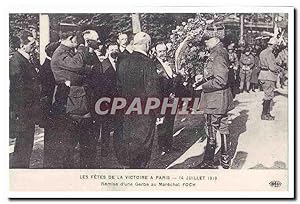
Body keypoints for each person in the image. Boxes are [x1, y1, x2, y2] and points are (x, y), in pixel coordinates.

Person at [50, 28, 96, 168]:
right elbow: (77, 66)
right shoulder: (60, 54)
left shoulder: (67, 52)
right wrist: (82, 49)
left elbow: (84, 69)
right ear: (70, 38)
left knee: (86, 143)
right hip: (72, 104)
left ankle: (85, 169)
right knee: (70, 145)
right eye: (77, 40)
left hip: (79, 102)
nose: (78, 42)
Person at [114, 32, 161, 168]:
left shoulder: (123, 61)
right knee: (144, 147)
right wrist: (158, 113)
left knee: (131, 144)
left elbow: (118, 87)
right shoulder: (148, 63)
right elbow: (152, 90)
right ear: (147, 44)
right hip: (144, 113)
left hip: (127, 111)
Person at [195, 25, 233, 169]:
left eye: (207, 39)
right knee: (223, 128)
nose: (205, 42)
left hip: (214, 101)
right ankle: (225, 160)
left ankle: (208, 161)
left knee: (211, 130)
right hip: (222, 100)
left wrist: (203, 86)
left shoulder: (217, 55)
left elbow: (220, 80)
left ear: (215, 39)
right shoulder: (220, 52)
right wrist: (204, 78)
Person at [9, 30, 41, 168]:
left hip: (29, 111)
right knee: (22, 146)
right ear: (23, 45)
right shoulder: (16, 61)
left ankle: (22, 170)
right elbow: (18, 90)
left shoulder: (27, 59)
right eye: (32, 44)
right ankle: (18, 173)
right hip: (23, 112)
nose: (35, 46)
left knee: (27, 145)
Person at [154, 42, 180, 155]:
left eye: (164, 51)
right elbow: (156, 85)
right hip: (162, 98)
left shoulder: (170, 63)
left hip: (172, 97)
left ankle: (169, 145)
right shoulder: (153, 65)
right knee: (162, 123)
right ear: (155, 52)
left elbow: (174, 77)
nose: (163, 53)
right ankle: (162, 146)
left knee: (170, 121)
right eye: (160, 51)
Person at [99, 42, 120, 157]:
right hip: (107, 100)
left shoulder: (121, 63)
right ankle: (105, 149)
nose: (114, 51)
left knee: (118, 124)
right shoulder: (103, 65)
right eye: (112, 49)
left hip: (119, 100)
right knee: (106, 127)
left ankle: (117, 147)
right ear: (107, 51)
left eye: (116, 49)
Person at [258, 37, 282, 120]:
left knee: (267, 95)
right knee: (269, 95)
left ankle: (267, 113)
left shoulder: (262, 52)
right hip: (268, 76)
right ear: (274, 45)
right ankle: (264, 114)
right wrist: (279, 68)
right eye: (276, 46)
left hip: (263, 75)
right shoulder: (270, 54)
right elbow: (272, 67)